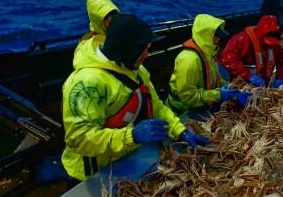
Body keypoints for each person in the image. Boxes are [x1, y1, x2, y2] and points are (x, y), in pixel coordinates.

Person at [61, 14, 209, 181]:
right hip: (92, 173)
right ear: (126, 48)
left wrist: (181, 131)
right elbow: (79, 138)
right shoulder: (86, 84)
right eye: (143, 49)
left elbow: (157, 106)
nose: (147, 55)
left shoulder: (136, 69)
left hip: (124, 159)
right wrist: (132, 135)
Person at [168, 14, 251, 117]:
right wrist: (219, 94)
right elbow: (188, 97)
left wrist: (230, 87)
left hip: (201, 106)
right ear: (205, 35)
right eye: (216, 36)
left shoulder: (208, 54)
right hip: (182, 112)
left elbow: (212, 78)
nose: (218, 40)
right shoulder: (189, 60)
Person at [221, 15, 283, 88]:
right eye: (266, 41)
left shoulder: (275, 45)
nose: (269, 44)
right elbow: (228, 59)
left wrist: (281, 77)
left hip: (263, 86)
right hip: (240, 86)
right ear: (260, 35)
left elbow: (282, 60)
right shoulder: (241, 40)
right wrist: (248, 76)